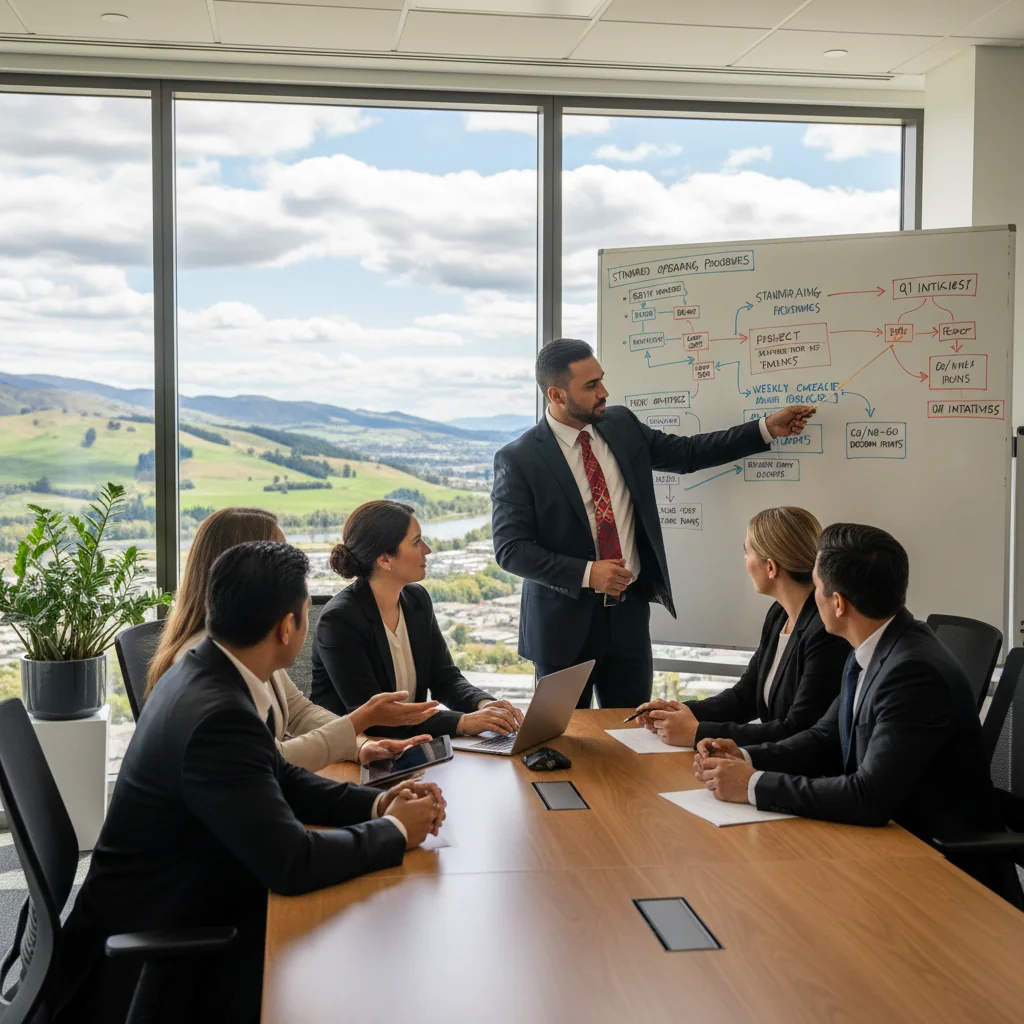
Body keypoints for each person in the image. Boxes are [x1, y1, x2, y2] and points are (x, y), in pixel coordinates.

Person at [57, 541, 447, 1024]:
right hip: (162, 940)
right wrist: (395, 832)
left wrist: (375, 803)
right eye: (307, 612)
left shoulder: (214, 668)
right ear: (287, 627)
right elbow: (292, 863)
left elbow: (280, 777)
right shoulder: (217, 714)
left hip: (192, 887)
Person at [696, 523, 1023, 907]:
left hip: (936, 868)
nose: (811, 598)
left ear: (838, 603)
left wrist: (753, 785)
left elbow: (868, 796)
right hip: (888, 839)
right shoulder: (874, 644)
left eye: (816, 587)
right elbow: (825, 736)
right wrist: (745, 758)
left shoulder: (913, 672)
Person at [491, 338, 815, 709]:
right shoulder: (518, 459)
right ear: (557, 395)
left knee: (630, 735)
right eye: (591, 386)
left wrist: (765, 429)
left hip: (628, 616)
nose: (604, 392)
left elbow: (689, 453)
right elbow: (510, 549)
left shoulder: (621, 425)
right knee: (564, 741)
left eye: (601, 380)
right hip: (561, 628)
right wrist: (587, 573)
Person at [146, 507, 437, 772]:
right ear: (245, 569)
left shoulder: (245, 643)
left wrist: (360, 746)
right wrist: (358, 723)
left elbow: (298, 712)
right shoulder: (207, 665)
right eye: (280, 555)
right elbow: (271, 759)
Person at [633, 507, 848, 747]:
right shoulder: (779, 614)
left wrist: (697, 732)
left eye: (747, 553)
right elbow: (744, 697)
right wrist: (678, 712)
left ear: (771, 567)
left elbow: (797, 729)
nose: (745, 561)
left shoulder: (825, 632)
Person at [310, 500, 525, 739]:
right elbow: (373, 720)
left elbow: (445, 679)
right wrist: (464, 723)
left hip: (410, 747)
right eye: (416, 542)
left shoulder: (416, 600)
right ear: (384, 559)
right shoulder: (340, 620)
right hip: (352, 755)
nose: (427, 549)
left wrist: (483, 705)